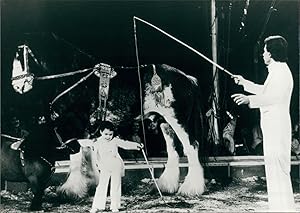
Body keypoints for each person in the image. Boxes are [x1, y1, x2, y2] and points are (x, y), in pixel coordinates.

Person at [231, 35, 296, 212]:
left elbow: (272, 98)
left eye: (265, 50)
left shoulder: (281, 72)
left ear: (272, 53)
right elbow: (265, 91)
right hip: (273, 128)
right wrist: (245, 83)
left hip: (277, 128)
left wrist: (248, 100)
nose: (263, 54)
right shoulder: (277, 71)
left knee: (278, 171)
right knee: (274, 171)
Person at [85, 121, 143, 213]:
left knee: (115, 185)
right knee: (101, 186)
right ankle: (97, 206)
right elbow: (91, 152)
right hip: (104, 166)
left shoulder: (115, 140)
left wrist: (137, 145)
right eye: (106, 134)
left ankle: (114, 206)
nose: (108, 136)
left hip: (115, 165)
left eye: (110, 134)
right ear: (101, 132)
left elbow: (125, 144)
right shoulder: (97, 142)